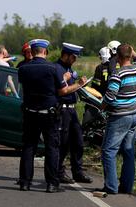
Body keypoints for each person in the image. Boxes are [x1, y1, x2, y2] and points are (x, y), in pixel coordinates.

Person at [18, 39, 87, 193]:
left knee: (29, 147)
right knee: (52, 148)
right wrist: (78, 85)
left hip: (30, 112)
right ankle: (51, 183)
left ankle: (25, 182)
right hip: (48, 113)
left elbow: (25, 86)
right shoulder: (52, 68)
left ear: (33, 51)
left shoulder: (23, 69)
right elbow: (62, 91)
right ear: (45, 51)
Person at [98, 44, 136, 194]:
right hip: (133, 115)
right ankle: (126, 186)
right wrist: (132, 49)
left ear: (117, 57)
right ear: (130, 56)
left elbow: (110, 97)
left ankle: (111, 186)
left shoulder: (117, 75)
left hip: (119, 117)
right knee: (128, 151)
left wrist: (101, 107)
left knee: (108, 151)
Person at [55, 42, 93, 184]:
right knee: (63, 143)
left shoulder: (68, 68)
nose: (75, 59)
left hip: (71, 109)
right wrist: (79, 84)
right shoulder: (58, 69)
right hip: (62, 109)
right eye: (73, 56)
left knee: (78, 141)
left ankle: (78, 172)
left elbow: (70, 87)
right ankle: (59, 172)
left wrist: (80, 85)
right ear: (66, 55)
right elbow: (62, 91)